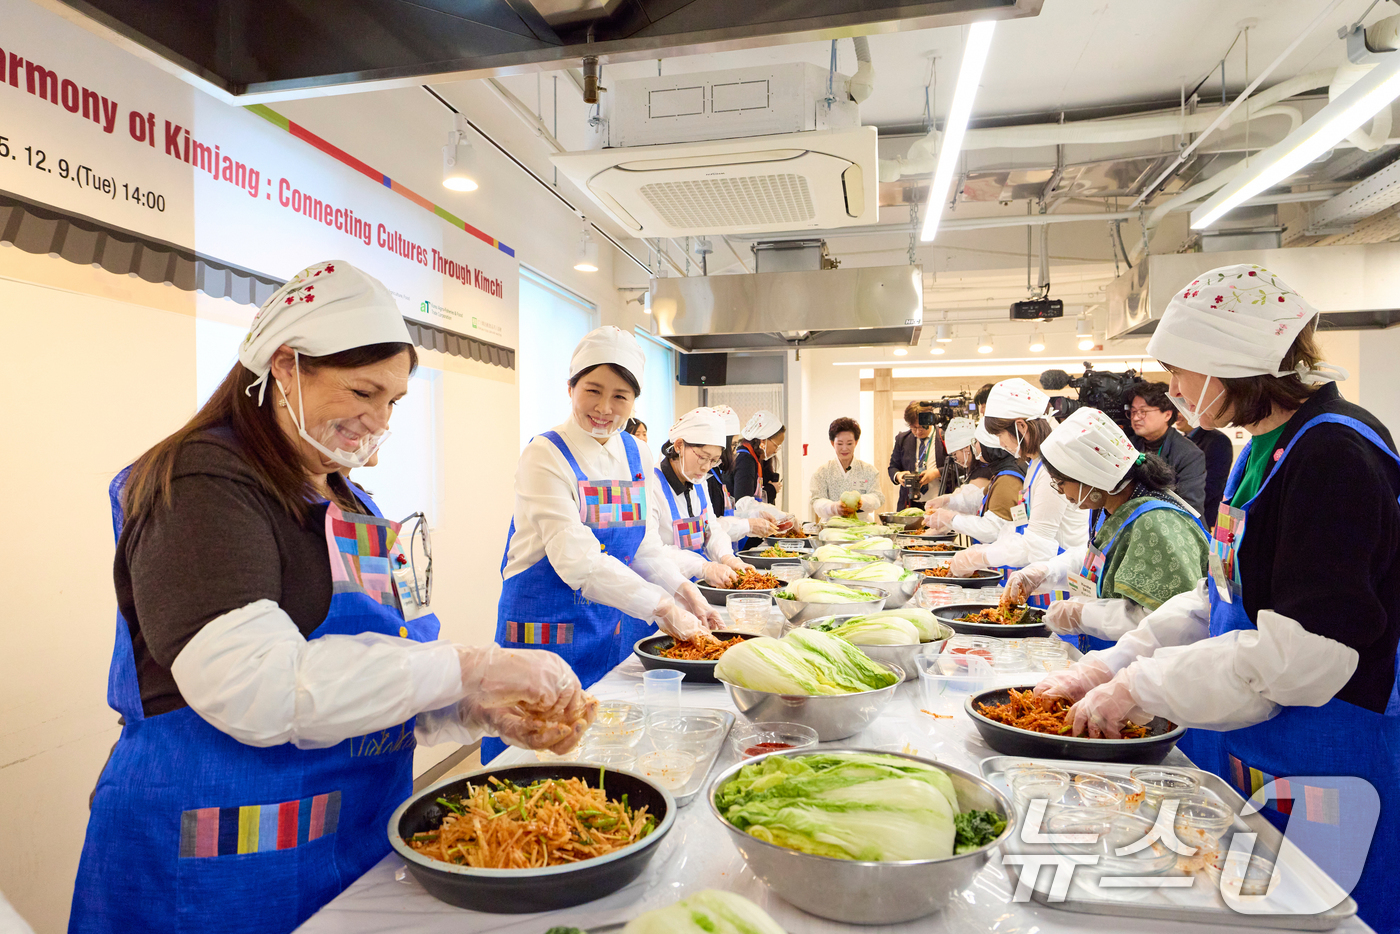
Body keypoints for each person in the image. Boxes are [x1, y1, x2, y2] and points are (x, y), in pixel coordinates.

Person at [70, 262, 595, 934]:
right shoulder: (202, 483)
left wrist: (474, 710)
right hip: (217, 864)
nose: (378, 420)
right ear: (284, 367)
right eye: (362, 391)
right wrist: (473, 665)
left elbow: (372, 673)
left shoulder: (346, 498)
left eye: (394, 401)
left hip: (352, 844)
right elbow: (255, 687)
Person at [1034, 263, 1400, 932]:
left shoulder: (1335, 458)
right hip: (1273, 749)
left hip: (1336, 753)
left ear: (1234, 363)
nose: (1171, 390)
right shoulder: (1267, 448)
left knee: (1329, 918)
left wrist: (1142, 686)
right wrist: (1113, 664)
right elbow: (1215, 597)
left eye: (1181, 371)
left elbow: (1304, 660)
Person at [489, 327, 719, 760]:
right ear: (570, 388)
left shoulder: (637, 453)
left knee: (610, 750)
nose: (604, 408)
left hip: (611, 628)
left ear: (634, 403)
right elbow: (578, 561)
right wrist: (663, 607)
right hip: (547, 634)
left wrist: (684, 591)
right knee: (534, 760)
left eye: (620, 397)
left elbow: (643, 547)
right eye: (592, 390)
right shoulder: (545, 454)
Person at [1003, 408, 1208, 654]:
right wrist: (1045, 572)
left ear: (1091, 476)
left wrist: (1083, 615)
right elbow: (1102, 557)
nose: (1059, 491)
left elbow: (1168, 622)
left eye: (1061, 481)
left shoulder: (1155, 522)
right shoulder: (1113, 507)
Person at [927, 379, 1089, 599]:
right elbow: (1020, 524)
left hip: (1058, 585)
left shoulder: (1051, 469)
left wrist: (981, 556)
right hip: (1040, 579)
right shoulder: (1036, 465)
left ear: (1021, 427)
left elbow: (1038, 546)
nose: (1000, 444)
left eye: (1000, 435)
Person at [651, 407, 755, 588]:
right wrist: (703, 567)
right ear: (679, 446)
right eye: (703, 457)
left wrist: (727, 557)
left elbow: (711, 528)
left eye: (714, 460)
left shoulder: (699, 482)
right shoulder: (652, 485)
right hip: (662, 591)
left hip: (695, 587)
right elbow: (652, 551)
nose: (707, 467)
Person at [706, 404, 788, 543]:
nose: (734, 453)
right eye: (732, 446)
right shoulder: (744, 459)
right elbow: (741, 501)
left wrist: (757, 514)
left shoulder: (752, 460)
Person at [1125, 380, 1206, 514]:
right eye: (1133, 412)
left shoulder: (1189, 454)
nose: (1136, 418)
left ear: (1167, 414)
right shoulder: (1128, 446)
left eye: (1143, 411)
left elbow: (1190, 507)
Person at [920, 418, 1015, 518]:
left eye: (955, 455)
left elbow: (971, 504)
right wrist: (947, 501)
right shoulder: (977, 469)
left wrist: (950, 516)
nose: (956, 460)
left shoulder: (986, 472)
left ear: (966, 448)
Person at [811, 417, 885, 519]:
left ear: (856, 442)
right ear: (832, 443)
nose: (845, 448)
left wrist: (862, 501)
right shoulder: (822, 472)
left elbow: (877, 497)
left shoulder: (869, 470)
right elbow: (817, 501)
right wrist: (834, 507)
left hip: (861, 526)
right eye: (840, 444)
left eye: (849, 443)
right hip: (831, 526)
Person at [1178, 410, 1234, 528]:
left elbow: (1213, 485)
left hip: (1206, 517)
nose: (1177, 414)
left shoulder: (1218, 440)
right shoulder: (1181, 441)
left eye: (1180, 410)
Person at [888, 402, 947, 510]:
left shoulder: (944, 436)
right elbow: (893, 467)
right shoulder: (903, 439)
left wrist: (936, 473)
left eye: (921, 427)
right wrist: (898, 476)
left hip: (940, 503)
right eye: (913, 428)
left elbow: (959, 467)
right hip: (911, 504)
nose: (918, 432)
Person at [730, 410, 784, 506]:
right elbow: (743, 503)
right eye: (777, 445)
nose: (776, 451)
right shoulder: (745, 460)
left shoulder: (752, 457)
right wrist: (771, 490)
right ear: (763, 440)